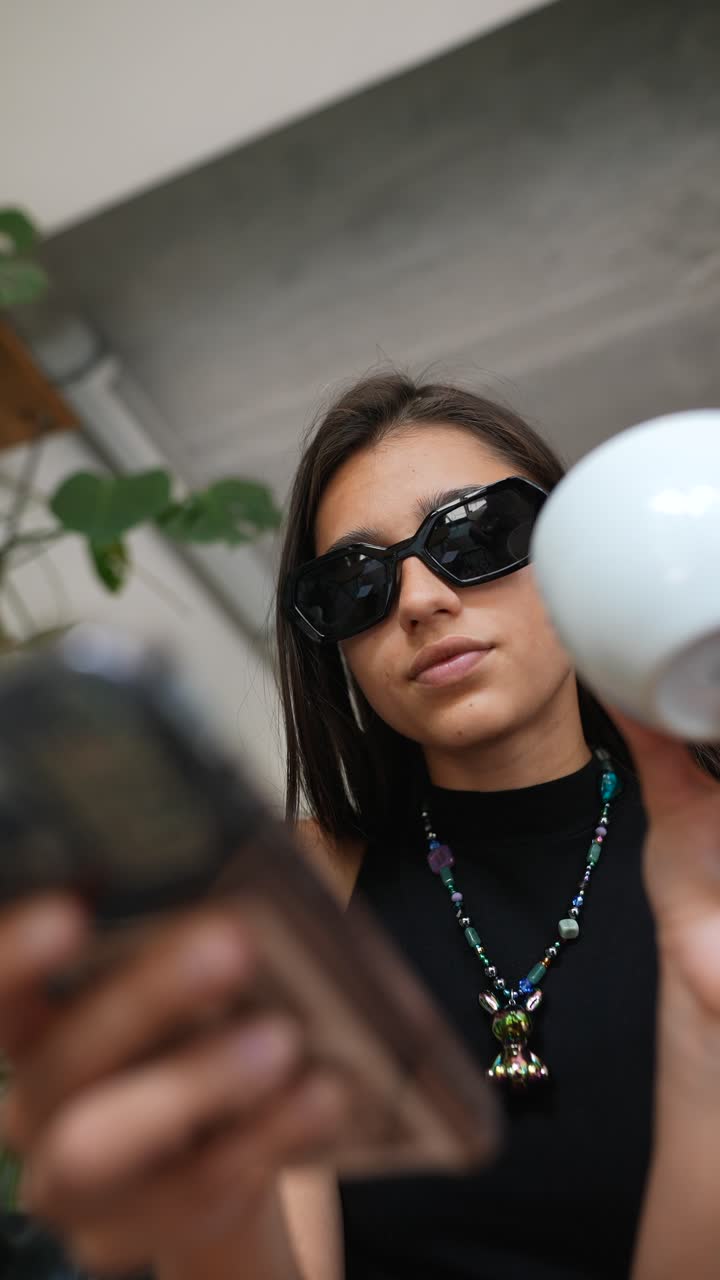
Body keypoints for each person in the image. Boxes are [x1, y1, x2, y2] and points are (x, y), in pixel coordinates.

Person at [0, 371, 719, 1280]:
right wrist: (211, 1218)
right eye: (356, 583)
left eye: (477, 533)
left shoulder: (707, 863)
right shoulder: (303, 894)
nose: (419, 599)